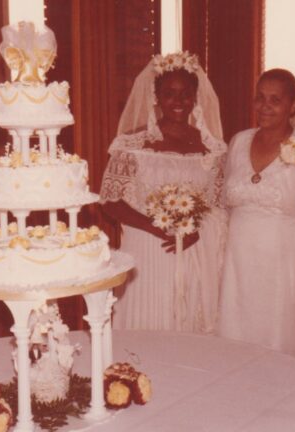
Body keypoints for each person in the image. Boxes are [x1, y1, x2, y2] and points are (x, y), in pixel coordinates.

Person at [99, 51, 228, 333]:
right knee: (149, 320)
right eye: (169, 93)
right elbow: (110, 200)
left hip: (194, 249)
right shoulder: (133, 144)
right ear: (156, 96)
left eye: (185, 94)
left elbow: (217, 204)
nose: (178, 101)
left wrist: (196, 229)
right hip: (148, 247)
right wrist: (157, 227)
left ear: (195, 97)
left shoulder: (212, 148)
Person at [218, 69, 295, 357]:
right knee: (236, 339)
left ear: (293, 105)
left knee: (278, 341)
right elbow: (225, 206)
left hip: (284, 263)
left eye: (275, 100)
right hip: (239, 263)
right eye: (260, 98)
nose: (265, 106)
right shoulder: (239, 142)